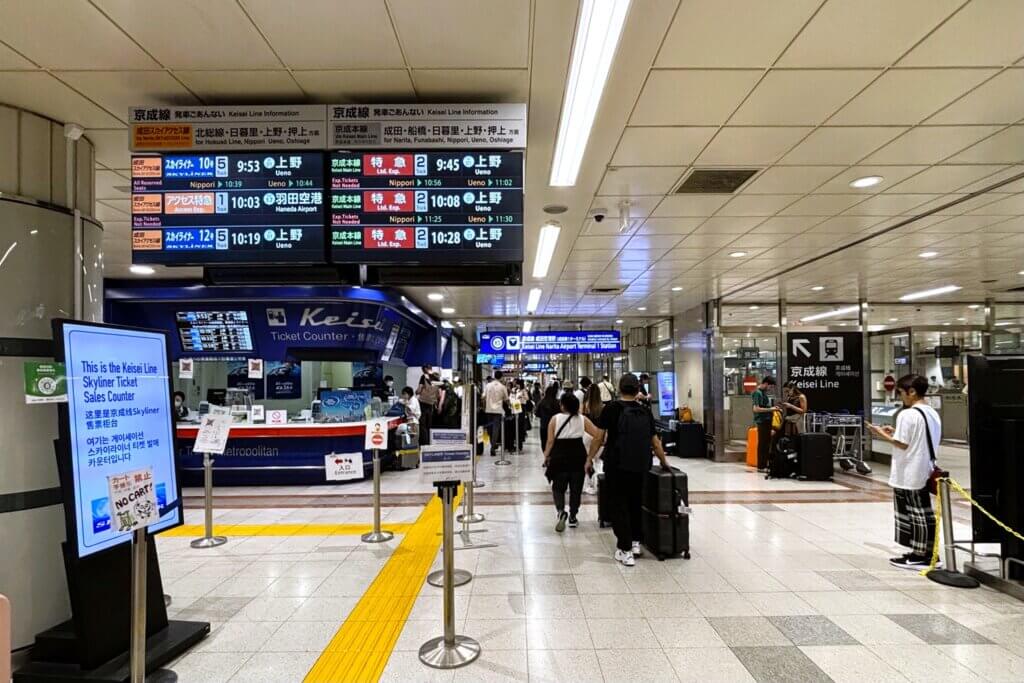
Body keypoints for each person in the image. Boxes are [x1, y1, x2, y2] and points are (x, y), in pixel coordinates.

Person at [587, 373, 671, 567]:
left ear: (619, 388)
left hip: (616, 465)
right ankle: (635, 543)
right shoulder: (645, 411)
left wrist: (589, 458)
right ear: (637, 390)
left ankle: (624, 550)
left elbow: (598, 437)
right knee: (636, 502)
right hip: (640, 465)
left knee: (619, 505)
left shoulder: (611, 409)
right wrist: (664, 462)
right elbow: (655, 442)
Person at [867, 374, 941, 569]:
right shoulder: (931, 412)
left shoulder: (908, 414)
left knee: (916, 514)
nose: (901, 397)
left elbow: (902, 443)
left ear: (912, 391)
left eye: (901, 393)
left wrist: (880, 433)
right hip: (925, 467)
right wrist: (895, 431)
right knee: (924, 513)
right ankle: (927, 553)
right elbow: (918, 437)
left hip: (910, 471)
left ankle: (921, 556)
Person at [544, 393, 602, 532]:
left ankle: (561, 511)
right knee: (576, 488)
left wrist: (546, 456)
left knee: (558, 487)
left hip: (559, 455)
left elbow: (550, 441)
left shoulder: (555, 419)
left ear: (563, 406)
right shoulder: (583, 419)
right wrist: (591, 455)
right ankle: (573, 517)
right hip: (578, 454)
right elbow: (597, 435)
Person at [751, 376, 778, 472]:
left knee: (766, 444)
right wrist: (771, 409)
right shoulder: (757, 393)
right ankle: (761, 466)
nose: (770, 389)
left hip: (767, 420)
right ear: (766, 383)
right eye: (770, 387)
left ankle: (764, 464)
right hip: (762, 421)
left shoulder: (763, 393)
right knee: (763, 444)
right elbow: (756, 409)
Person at [581, 384, 604, 494]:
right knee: (597, 461)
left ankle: (586, 484)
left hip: (586, 436)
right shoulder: (602, 407)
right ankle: (598, 483)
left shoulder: (584, 406)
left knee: (587, 460)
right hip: (598, 436)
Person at [484, 371, 509, 456]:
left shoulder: (488, 385)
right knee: (496, 429)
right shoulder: (503, 387)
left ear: (494, 376)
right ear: (501, 377)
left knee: (490, 429)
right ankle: (492, 447)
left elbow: (483, 396)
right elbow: (506, 399)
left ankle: (492, 444)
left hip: (488, 410)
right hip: (498, 411)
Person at [416, 374, 440, 445]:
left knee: (422, 424)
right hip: (431, 405)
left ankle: (424, 443)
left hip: (422, 403)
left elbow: (418, 391)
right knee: (428, 424)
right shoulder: (437, 384)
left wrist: (416, 392)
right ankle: (429, 442)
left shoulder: (424, 380)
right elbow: (438, 395)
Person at [535, 384, 560, 452]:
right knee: (554, 442)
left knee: (544, 441)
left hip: (544, 425)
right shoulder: (558, 403)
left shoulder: (541, 402)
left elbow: (537, 414)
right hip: (556, 426)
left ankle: (546, 454)